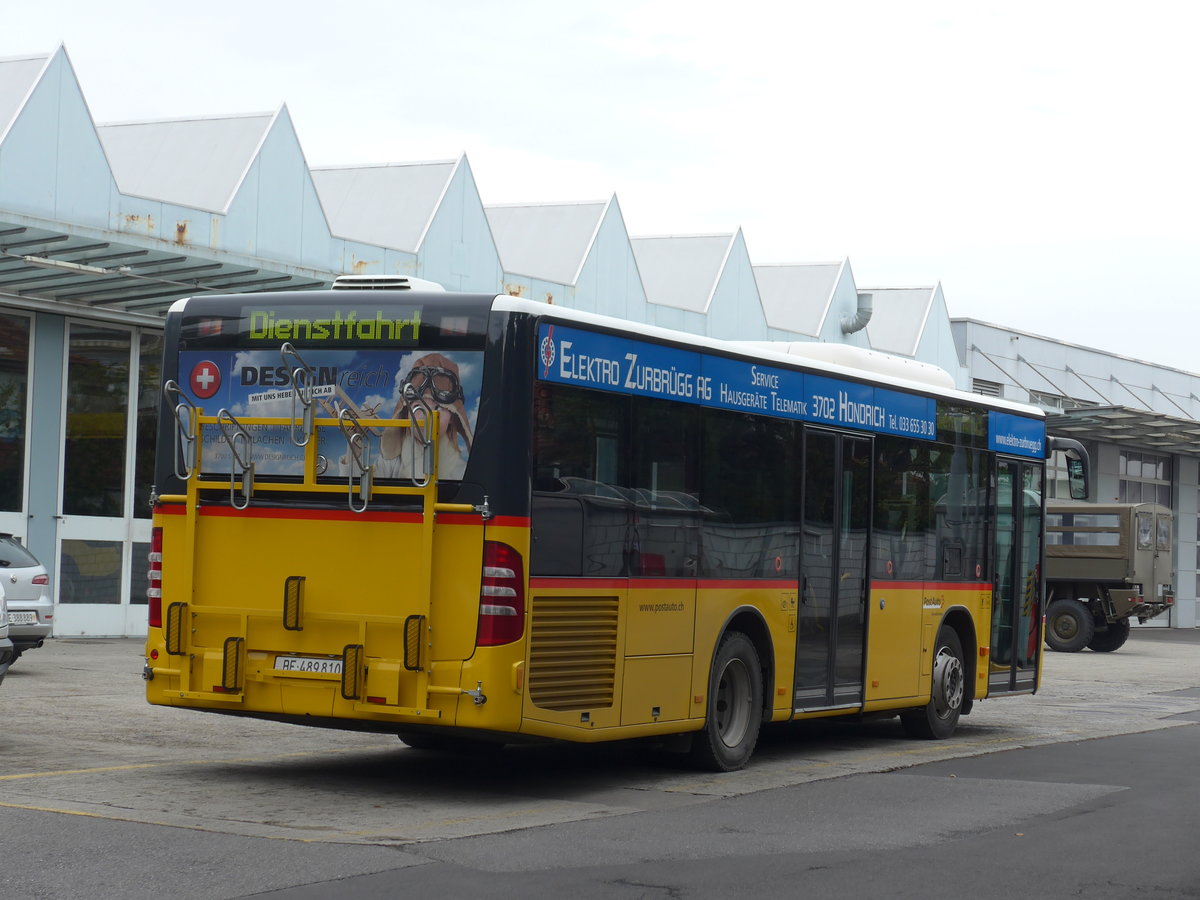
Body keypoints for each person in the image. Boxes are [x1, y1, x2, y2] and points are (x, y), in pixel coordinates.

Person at [375, 353, 473, 480]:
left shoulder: (463, 472)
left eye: (438, 408)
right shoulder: (389, 463)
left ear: (452, 418)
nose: (427, 416)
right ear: (406, 411)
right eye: (417, 406)